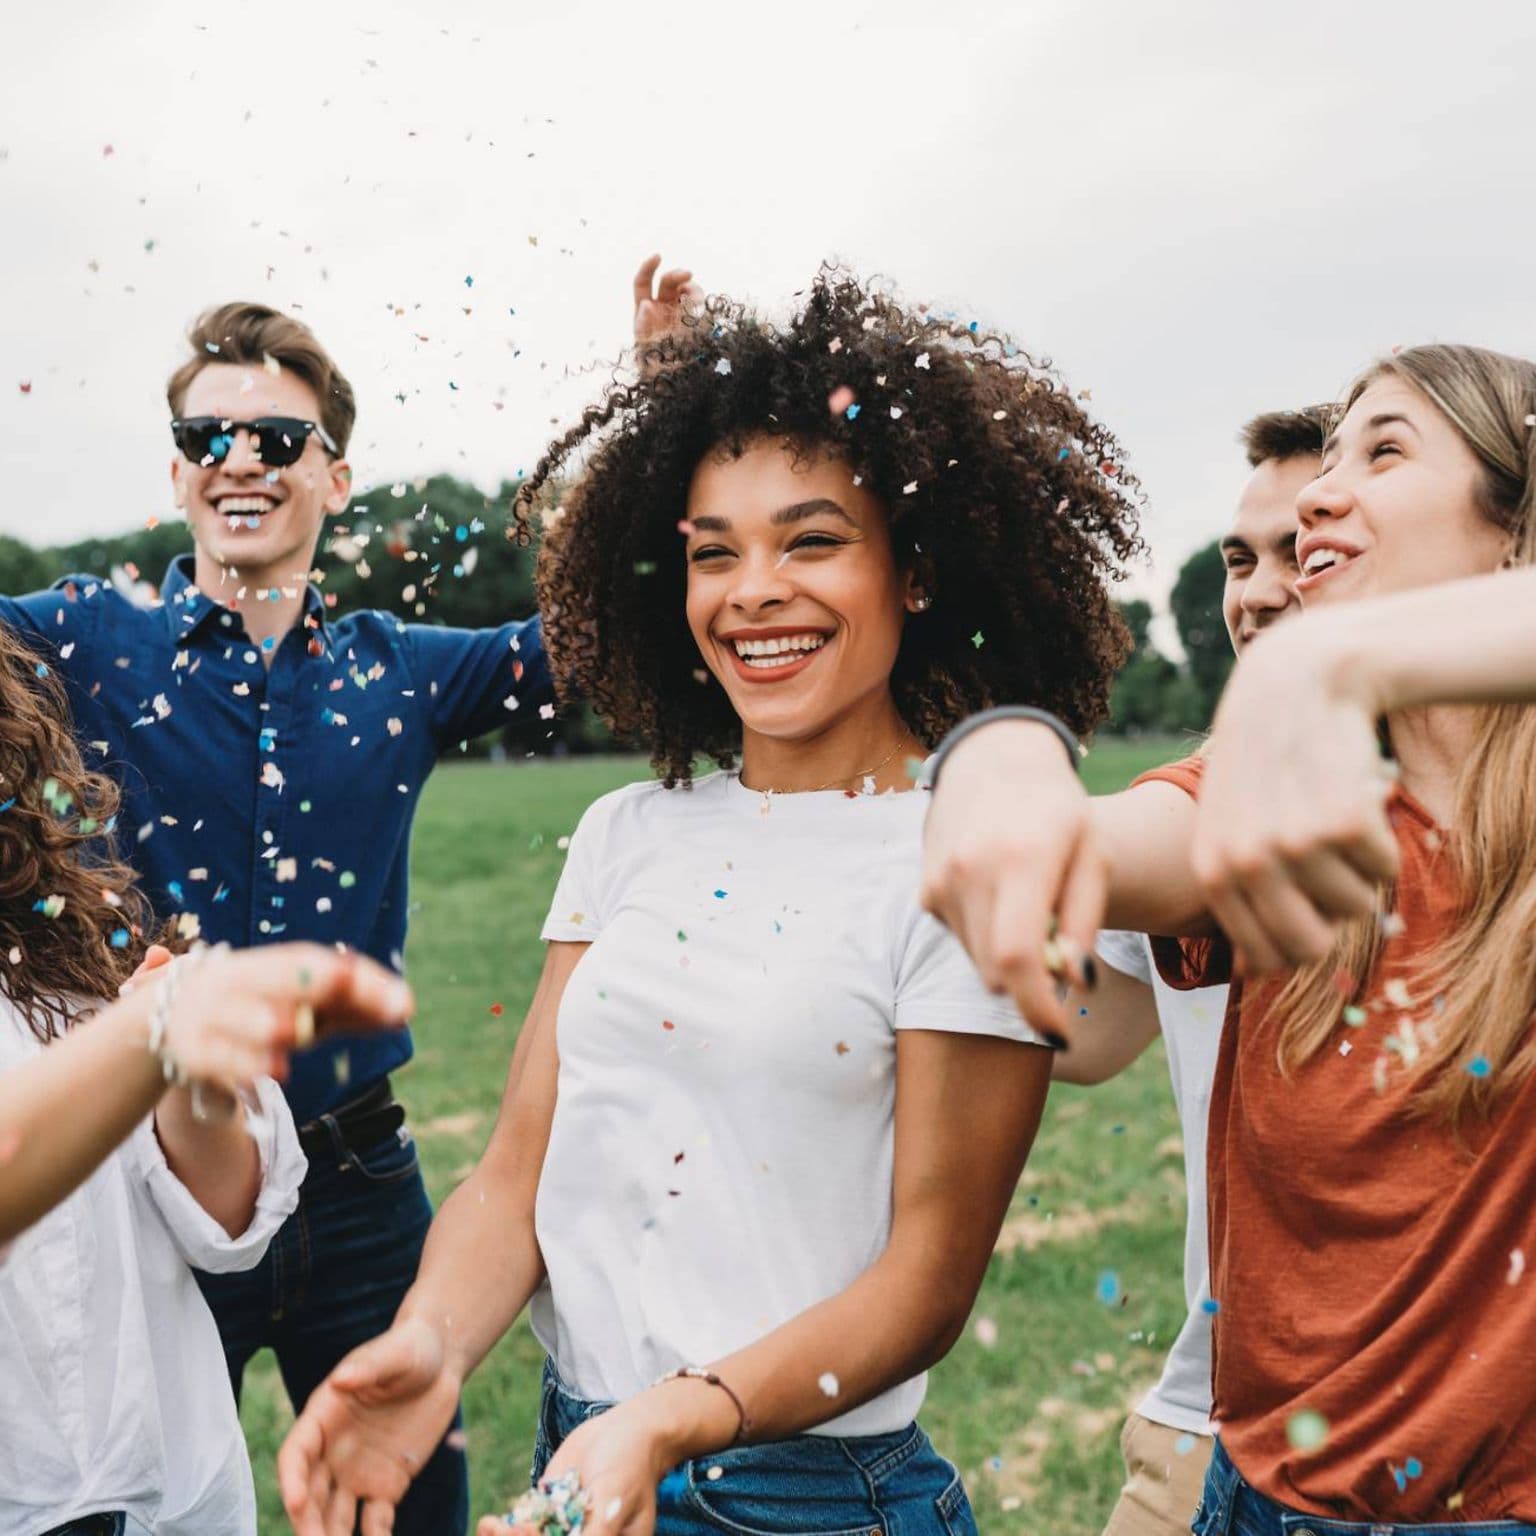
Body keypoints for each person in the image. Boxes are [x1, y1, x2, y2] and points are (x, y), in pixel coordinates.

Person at [274, 267, 1144, 1536]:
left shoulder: (961, 858)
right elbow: (516, 1181)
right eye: (713, 553)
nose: (753, 592)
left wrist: (676, 1416)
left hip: (806, 1496)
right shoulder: (629, 832)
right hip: (587, 1450)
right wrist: (430, 1345)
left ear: (915, 572)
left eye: (812, 541)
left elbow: (926, 1284)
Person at [0, 256, 695, 1532]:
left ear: (336, 475)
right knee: (156, 1511)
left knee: (402, 1507)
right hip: (158, 1171)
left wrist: (652, 410)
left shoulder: (404, 672)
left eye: (278, 435)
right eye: (206, 435)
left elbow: (595, 633)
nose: (241, 458)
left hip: (360, 1181)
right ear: (176, 475)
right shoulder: (89, 640)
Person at [920, 344, 1536, 1530]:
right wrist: (998, 759)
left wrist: (1328, 655)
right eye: (1330, 456)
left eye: (1386, 450)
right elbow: (1103, 843)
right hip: (1262, 1502)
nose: (1316, 494)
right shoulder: (1275, 810)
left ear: (1513, 525)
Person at [0, 617, 412, 1535]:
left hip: (172, 1496)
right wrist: (145, 1039)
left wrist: (194, 1088)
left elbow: (228, 1231)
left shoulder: (70, 942)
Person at [1056, 405, 1323, 1536]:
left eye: (1304, 554)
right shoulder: (1206, 796)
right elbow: (1089, 1036)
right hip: (1205, 1430)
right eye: (1239, 558)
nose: (1256, 592)